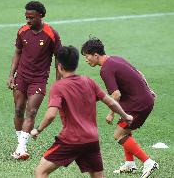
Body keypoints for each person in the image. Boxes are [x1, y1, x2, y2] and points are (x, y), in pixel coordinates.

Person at [31, 46, 133, 178]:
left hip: (70, 140)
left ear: (59, 66)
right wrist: (125, 116)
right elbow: (111, 102)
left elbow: (51, 115)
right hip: (91, 139)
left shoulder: (58, 86)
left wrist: (38, 130)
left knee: (41, 171)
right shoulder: (88, 81)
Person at [81, 37, 159, 178]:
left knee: (119, 134)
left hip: (138, 105)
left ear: (95, 55)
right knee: (124, 129)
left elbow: (116, 94)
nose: (86, 60)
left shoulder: (105, 69)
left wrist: (111, 113)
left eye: (87, 56)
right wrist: (149, 89)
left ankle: (148, 162)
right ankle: (130, 164)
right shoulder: (116, 58)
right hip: (143, 100)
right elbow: (140, 73)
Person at [7, 1, 62, 160]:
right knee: (18, 110)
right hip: (22, 77)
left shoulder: (51, 34)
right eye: (26, 17)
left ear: (41, 16)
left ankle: (21, 148)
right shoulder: (22, 31)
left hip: (38, 79)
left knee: (31, 111)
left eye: (31, 17)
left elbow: (58, 58)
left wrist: (58, 83)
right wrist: (11, 75)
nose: (28, 21)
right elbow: (17, 52)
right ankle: (20, 145)